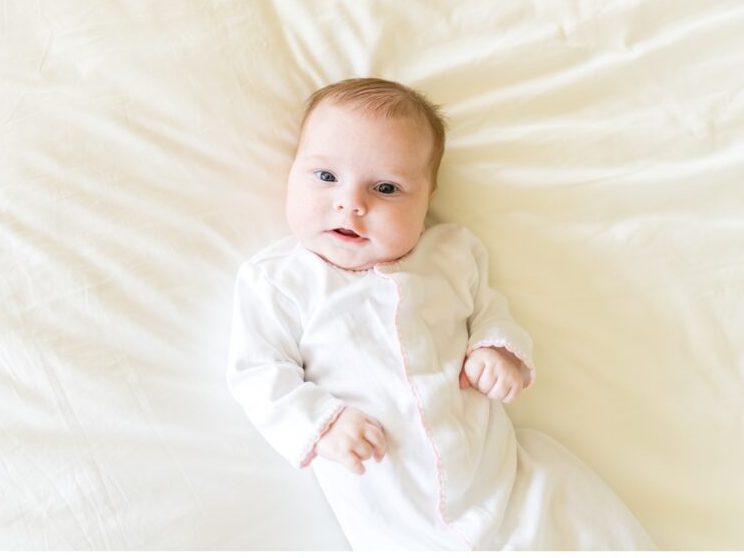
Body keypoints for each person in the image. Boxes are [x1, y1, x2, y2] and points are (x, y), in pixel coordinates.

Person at [227, 77, 655, 549]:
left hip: (499, 476)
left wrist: (495, 349)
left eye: (386, 188)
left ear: (427, 196)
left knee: (567, 498)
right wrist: (321, 423)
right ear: (292, 173)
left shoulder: (451, 252)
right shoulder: (278, 279)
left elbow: (489, 310)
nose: (352, 203)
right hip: (393, 496)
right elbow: (257, 371)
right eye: (325, 177)